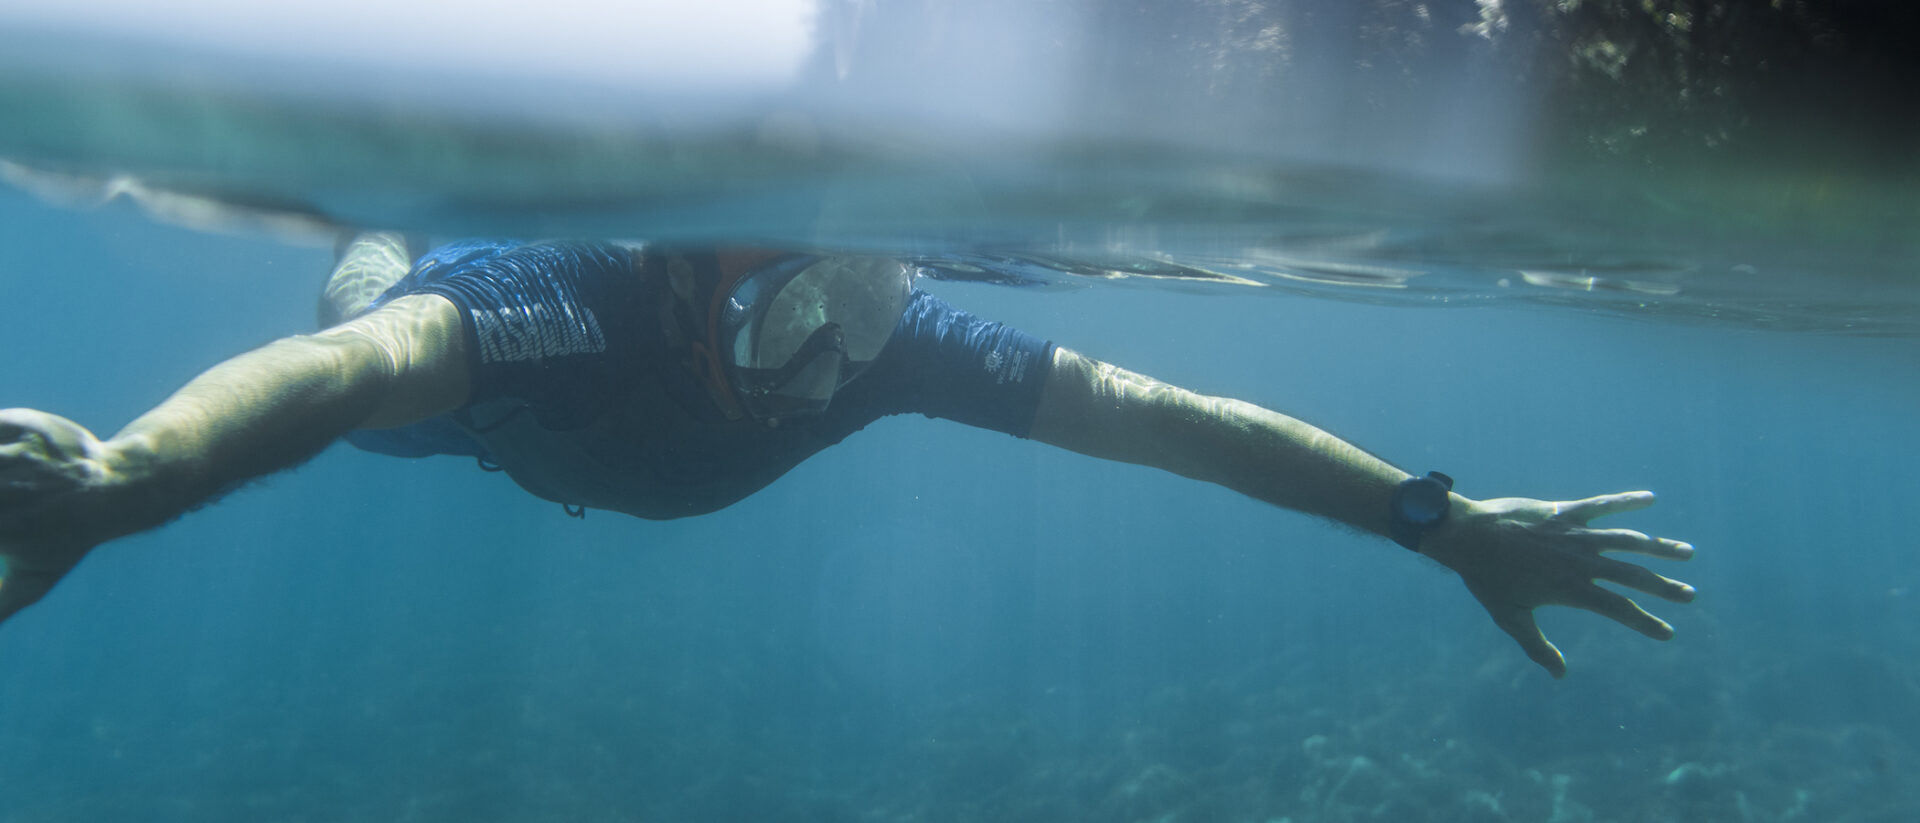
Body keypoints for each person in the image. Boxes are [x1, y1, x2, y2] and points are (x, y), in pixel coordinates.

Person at [0, 233, 1695, 678]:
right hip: (498, 425)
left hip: (582, 441)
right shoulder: (574, 297)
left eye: (876, 300)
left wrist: (1433, 517)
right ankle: (378, 230)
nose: (833, 367)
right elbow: (353, 368)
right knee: (385, 363)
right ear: (685, 281)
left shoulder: (891, 345)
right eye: (794, 312)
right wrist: (135, 478)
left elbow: (1175, 424)